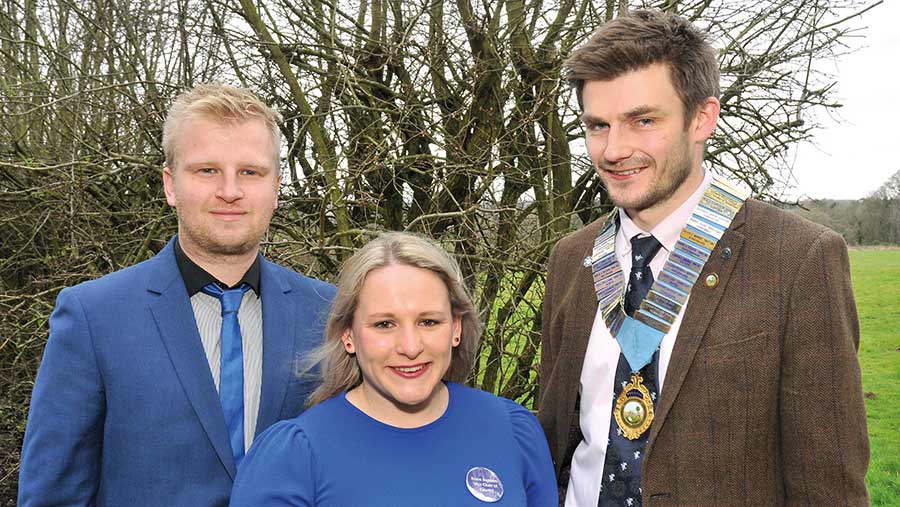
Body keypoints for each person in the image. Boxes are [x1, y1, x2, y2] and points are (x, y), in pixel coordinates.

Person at [538, 10, 869, 507]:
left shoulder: (798, 261)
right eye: (597, 126)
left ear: (702, 118)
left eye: (643, 120)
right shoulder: (571, 258)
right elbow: (559, 445)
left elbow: (829, 489)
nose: (614, 149)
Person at [18, 84, 336, 506]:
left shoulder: (329, 313)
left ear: (276, 187)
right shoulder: (93, 317)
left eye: (250, 172)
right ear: (170, 185)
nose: (229, 190)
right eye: (206, 170)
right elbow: (53, 495)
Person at [229, 232, 557, 506]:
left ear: (456, 327)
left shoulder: (513, 431)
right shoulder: (294, 457)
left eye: (429, 321)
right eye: (384, 324)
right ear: (349, 336)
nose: (410, 347)